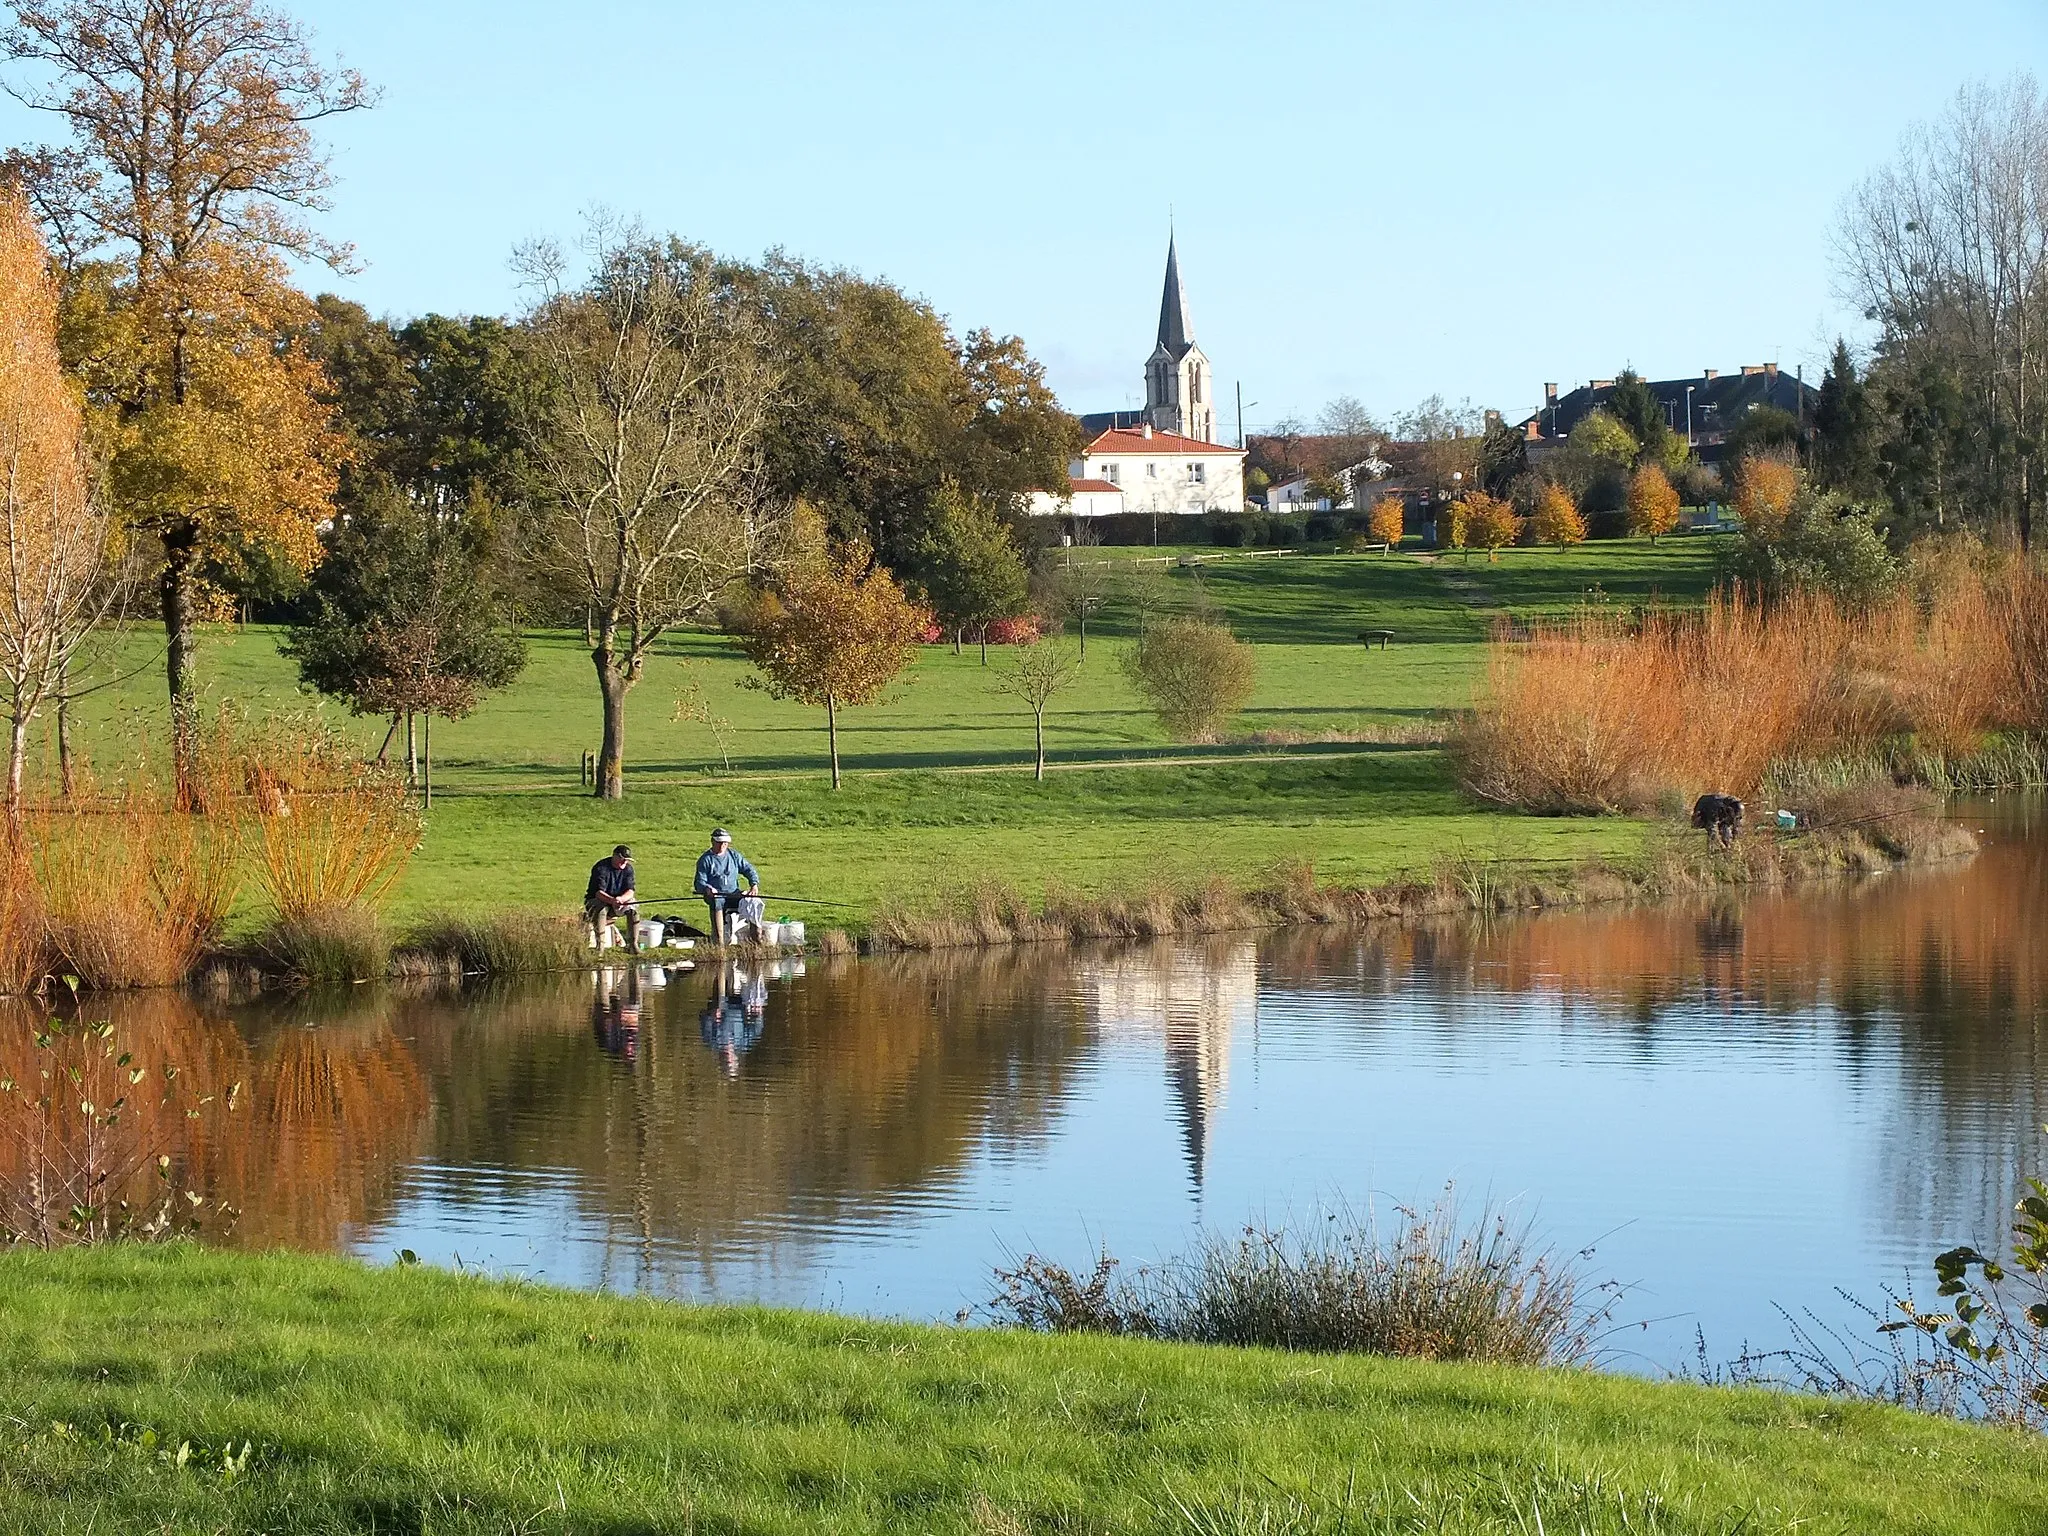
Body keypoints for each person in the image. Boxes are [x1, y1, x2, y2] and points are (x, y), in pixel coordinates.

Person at [694, 827, 760, 945]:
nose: (722, 846)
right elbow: (699, 882)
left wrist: (754, 884)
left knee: (753, 902)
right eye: (719, 843)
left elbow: (749, 869)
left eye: (724, 843)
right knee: (716, 901)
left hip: (733, 894)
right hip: (716, 896)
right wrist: (706, 888)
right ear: (713, 842)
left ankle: (756, 940)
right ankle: (719, 942)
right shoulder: (705, 860)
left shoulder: (734, 856)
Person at [585, 844, 639, 953]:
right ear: (615, 856)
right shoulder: (601, 868)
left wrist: (621, 899)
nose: (624, 863)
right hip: (598, 900)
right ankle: (600, 947)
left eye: (627, 860)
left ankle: (633, 945)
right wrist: (612, 901)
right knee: (601, 910)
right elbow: (598, 893)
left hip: (619, 901)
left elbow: (630, 891)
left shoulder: (628, 869)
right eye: (622, 859)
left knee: (634, 909)